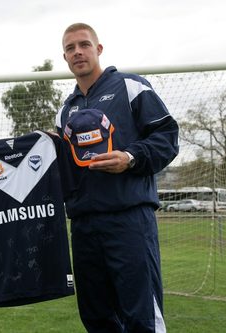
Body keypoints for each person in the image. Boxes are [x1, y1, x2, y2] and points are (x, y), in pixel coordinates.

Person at [55, 23, 179, 332]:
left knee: (142, 317)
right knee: (97, 317)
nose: (78, 52)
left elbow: (167, 138)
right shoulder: (65, 111)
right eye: (70, 48)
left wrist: (129, 158)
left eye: (84, 44)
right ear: (65, 57)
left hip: (129, 220)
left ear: (98, 49)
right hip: (83, 227)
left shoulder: (130, 87)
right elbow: (65, 174)